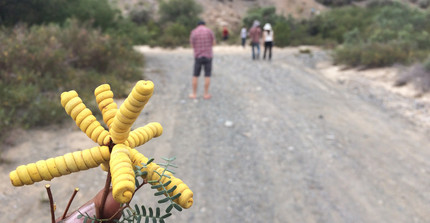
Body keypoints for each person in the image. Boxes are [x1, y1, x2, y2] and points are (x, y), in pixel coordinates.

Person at [189, 20, 216, 100]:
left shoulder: (194, 32)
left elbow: (192, 45)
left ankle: (194, 94)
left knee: (195, 75)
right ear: (205, 24)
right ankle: (206, 94)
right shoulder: (209, 31)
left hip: (198, 56)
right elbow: (214, 43)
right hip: (208, 56)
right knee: (207, 75)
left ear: (197, 25)